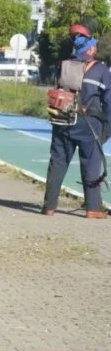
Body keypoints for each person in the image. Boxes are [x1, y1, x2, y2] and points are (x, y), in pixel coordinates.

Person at [42, 24, 111, 219]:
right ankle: (93, 208)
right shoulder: (100, 69)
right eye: (94, 45)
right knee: (91, 163)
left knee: (58, 162)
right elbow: (109, 102)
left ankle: (49, 206)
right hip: (89, 123)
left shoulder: (62, 65)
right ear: (89, 48)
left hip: (62, 120)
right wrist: (108, 128)